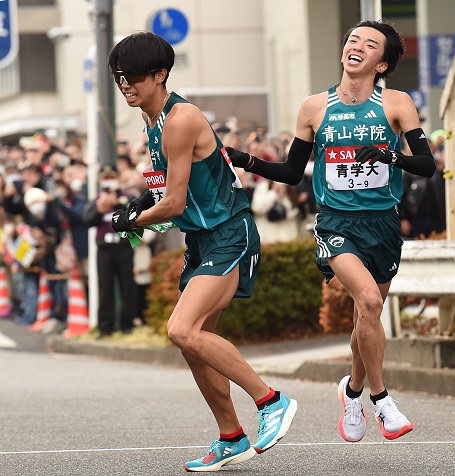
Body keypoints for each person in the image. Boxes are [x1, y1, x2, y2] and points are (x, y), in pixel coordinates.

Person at [223, 19, 435, 442]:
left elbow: (427, 165)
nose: (357, 46)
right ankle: (382, 401)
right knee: (371, 301)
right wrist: (245, 160)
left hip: (383, 223)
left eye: (369, 45)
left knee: (365, 315)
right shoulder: (314, 108)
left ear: (383, 63)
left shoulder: (395, 103)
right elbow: (289, 170)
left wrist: (390, 157)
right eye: (353, 40)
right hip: (336, 222)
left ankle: (352, 390)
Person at [107, 32, 297, 472]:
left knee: (182, 330)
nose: (126, 85)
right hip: (202, 240)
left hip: (229, 234)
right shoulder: (152, 122)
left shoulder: (180, 118)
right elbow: (177, 198)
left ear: (161, 75)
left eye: (134, 76)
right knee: (195, 345)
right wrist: (141, 204)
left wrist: (132, 221)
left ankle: (272, 401)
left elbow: (173, 204)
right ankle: (231, 436)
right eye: (120, 77)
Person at [83, 166, 138, 337]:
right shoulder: (98, 200)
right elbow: (87, 220)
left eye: (112, 177)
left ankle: (127, 324)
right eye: (105, 177)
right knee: (105, 287)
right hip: (104, 249)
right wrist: (99, 211)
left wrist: (117, 204)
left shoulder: (127, 198)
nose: (109, 181)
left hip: (123, 247)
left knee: (127, 286)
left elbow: (135, 216)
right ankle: (105, 326)